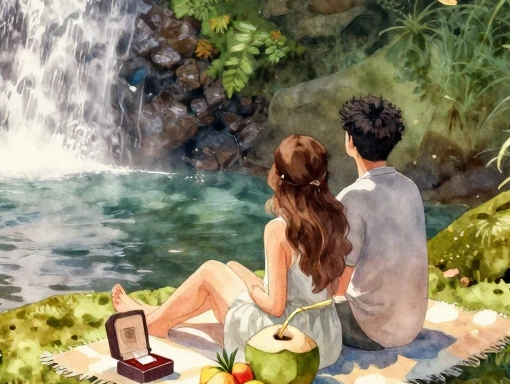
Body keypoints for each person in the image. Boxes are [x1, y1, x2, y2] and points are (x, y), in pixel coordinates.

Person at [112, 135, 351, 368]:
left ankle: (153, 322)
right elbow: (329, 288)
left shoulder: (279, 231)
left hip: (287, 344)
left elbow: (275, 307)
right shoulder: (333, 217)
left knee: (210, 272)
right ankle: (156, 312)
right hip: (324, 339)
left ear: (278, 177)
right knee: (234, 267)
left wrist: (254, 288)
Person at [333, 95, 427, 350]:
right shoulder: (410, 188)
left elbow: (340, 284)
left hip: (372, 332)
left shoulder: (352, 198)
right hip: (412, 324)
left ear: (350, 141)